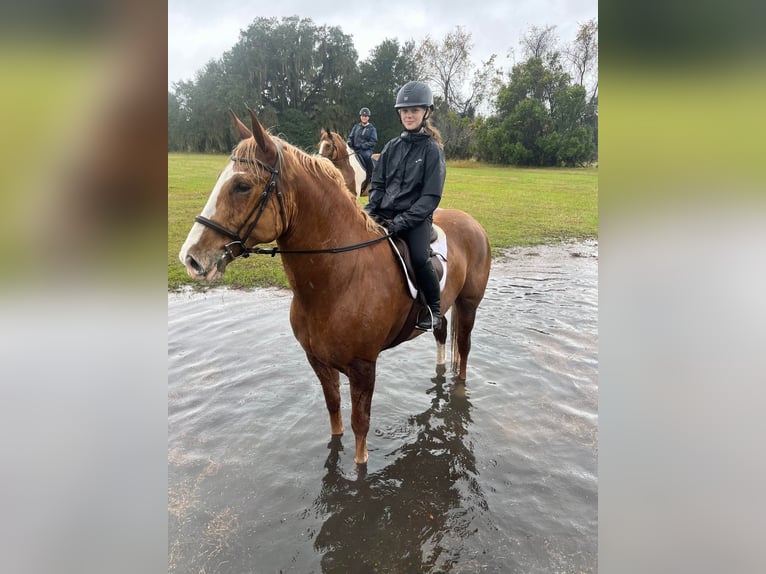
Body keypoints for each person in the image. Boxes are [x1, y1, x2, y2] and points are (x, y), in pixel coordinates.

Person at [364, 81, 446, 331]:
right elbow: (377, 184)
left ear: (426, 113)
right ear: (400, 114)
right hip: (384, 213)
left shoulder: (432, 151)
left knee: (420, 258)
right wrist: (371, 210)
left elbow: (430, 198)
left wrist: (400, 222)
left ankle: (434, 311)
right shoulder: (391, 147)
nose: (409, 115)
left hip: (415, 219)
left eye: (415, 111)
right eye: (405, 111)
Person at [346, 107, 378, 180]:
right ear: (360, 117)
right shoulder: (356, 127)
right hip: (355, 149)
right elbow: (350, 136)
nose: (364, 117)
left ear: (368, 118)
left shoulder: (372, 129)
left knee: (367, 157)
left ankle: (371, 175)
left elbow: (373, 141)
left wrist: (363, 146)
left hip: (365, 150)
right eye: (363, 116)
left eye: (366, 116)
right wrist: (349, 141)